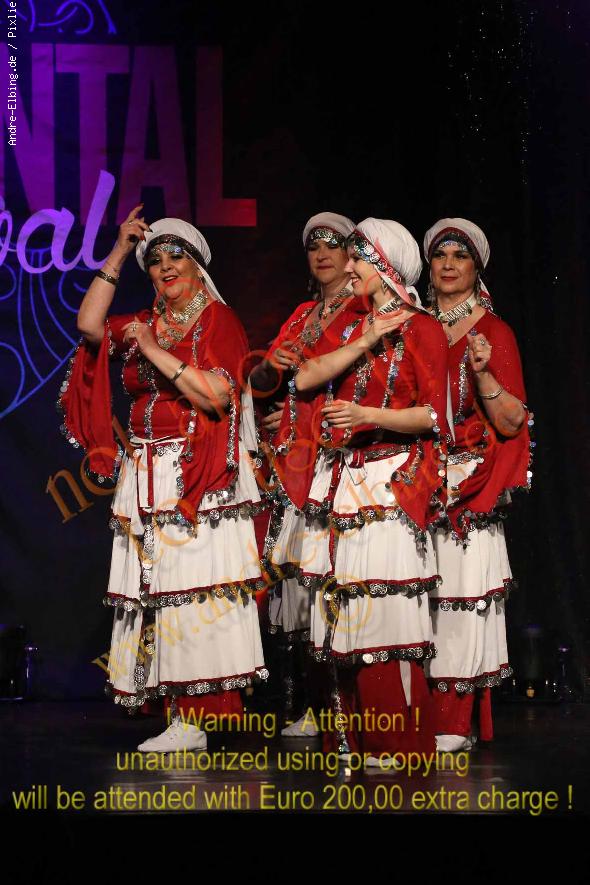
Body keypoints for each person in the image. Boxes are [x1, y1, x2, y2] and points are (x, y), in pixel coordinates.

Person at [59, 207, 267, 752]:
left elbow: (217, 395)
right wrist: (120, 251)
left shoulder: (218, 319)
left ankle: (196, 718)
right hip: (146, 471)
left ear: (198, 266)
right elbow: (89, 326)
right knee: (156, 592)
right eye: (155, 261)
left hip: (199, 470)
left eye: (177, 257)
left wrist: (151, 348)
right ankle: (176, 712)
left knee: (192, 591)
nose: (165, 267)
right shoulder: (144, 318)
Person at [292, 218, 449, 761]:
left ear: (384, 266)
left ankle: (395, 742)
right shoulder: (353, 324)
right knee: (345, 613)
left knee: (385, 612)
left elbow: (435, 416)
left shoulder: (424, 329)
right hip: (343, 482)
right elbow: (304, 378)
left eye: (359, 258)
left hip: (390, 484)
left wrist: (367, 415)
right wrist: (365, 338)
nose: (349, 266)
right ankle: (351, 738)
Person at [250, 212, 364, 735]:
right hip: (292, 459)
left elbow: (363, 383)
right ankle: (308, 708)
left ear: (350, 255)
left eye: (332, 245)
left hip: (335, 451)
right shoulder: (302, 313)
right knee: (296, 583)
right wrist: (271, 368)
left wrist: (303, 414)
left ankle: (343, 708)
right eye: (314, 246)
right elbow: (264, 381)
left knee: (332, 577)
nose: (322, 254)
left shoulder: (364, 310)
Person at [423, 217, 531, 752]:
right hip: (413, 482)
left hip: (470, 485)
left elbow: (512, 422)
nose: (448, 264)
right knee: (416, 603)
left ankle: (452, 719)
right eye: (440, 255)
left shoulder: (494, 332)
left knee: (460, 600)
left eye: (459, 255)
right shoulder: (413, 326)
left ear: (476, 268)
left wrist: (483, 373)